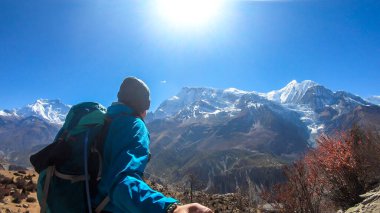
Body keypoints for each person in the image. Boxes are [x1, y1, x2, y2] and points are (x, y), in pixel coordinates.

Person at [94, 77, 213, 213]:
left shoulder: (104, 122)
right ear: (143, 106)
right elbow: (122, 183)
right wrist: (170, 209)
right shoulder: (134, 125)